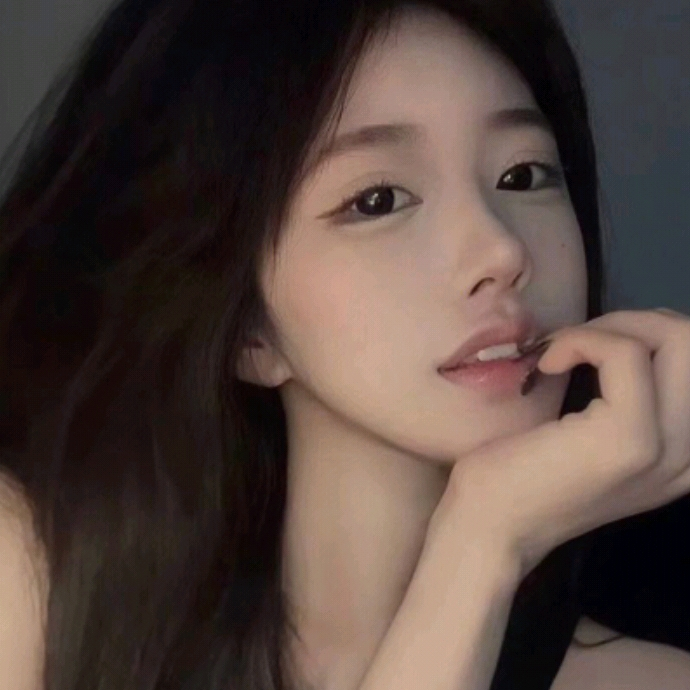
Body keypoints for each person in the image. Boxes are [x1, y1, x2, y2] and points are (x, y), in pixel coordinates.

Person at [2, 0, 690, 689]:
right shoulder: (34, 590)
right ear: (247, 330)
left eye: (523, 175)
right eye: (378, 200)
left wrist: (487, 534)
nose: (501, 250)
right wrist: (480, 549)